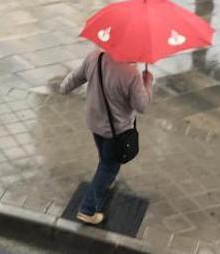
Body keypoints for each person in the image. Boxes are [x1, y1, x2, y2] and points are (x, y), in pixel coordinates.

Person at [55, 50, 153, 225]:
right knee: (108, 167)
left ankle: (106, 180)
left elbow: (76, 77)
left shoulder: (95, 57)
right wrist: (147, 83)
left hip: (94, 122)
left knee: (105, 156)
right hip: (117, 131)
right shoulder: (131, 74)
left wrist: (63, 88)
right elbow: (142, 106)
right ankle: (87, 209)